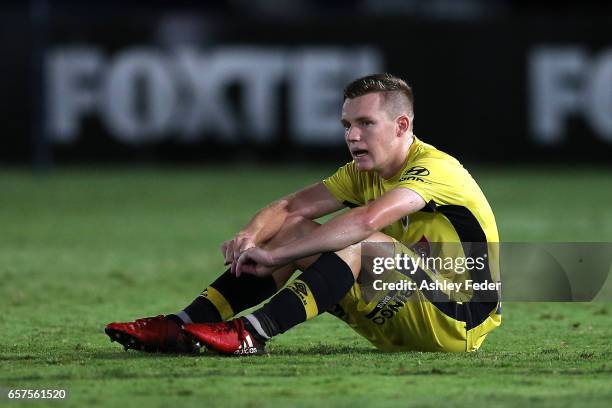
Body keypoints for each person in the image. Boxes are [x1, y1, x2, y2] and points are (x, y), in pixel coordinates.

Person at [105, 73, 501, 355]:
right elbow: (290, 207)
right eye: (347, 124)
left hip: (458, 318)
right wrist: (251, 235)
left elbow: (366, 222)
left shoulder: (435, 168)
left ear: (401, 125)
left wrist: (277, 257)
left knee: (356, 238)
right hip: (398, 315)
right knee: (292, 228)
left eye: (365, 123)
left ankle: (251, 334)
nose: (352, 136)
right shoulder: (364, 172)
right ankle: (180, 325)